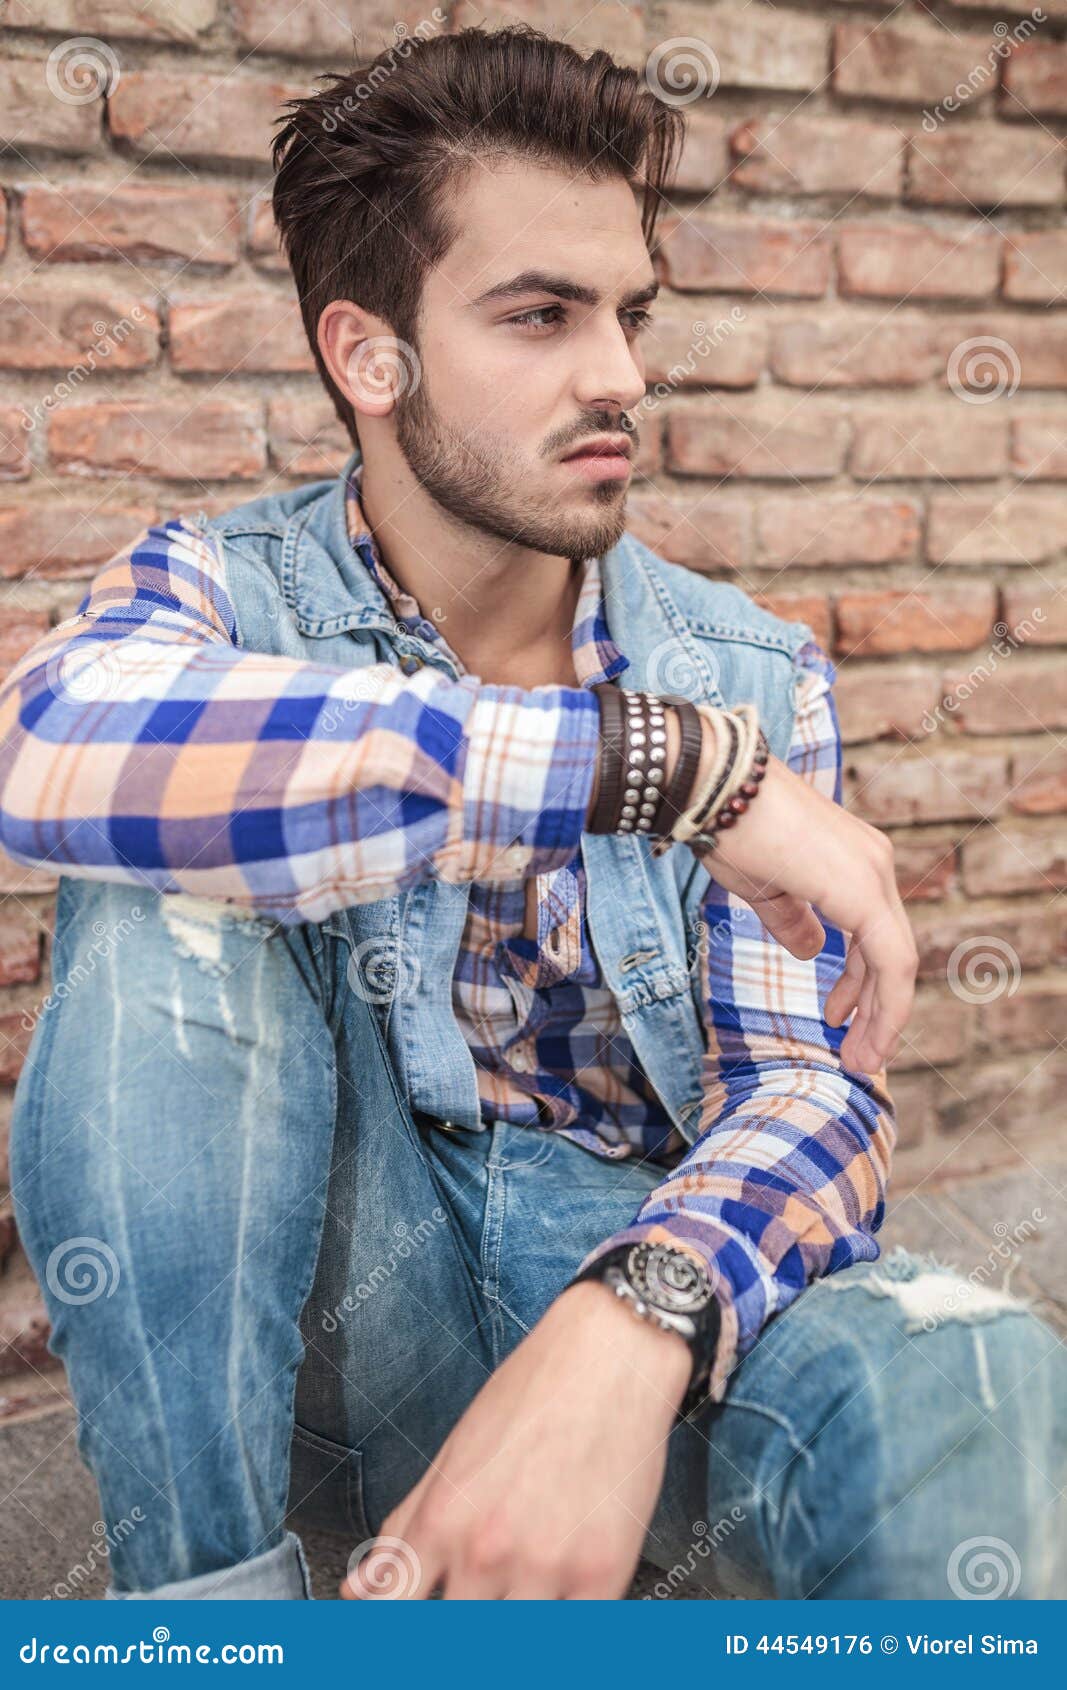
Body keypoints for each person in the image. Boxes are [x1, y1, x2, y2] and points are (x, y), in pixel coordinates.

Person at [1, 26, 1062, 1601]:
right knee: (162, 884)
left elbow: (812, 1093)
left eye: (630, 313)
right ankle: (212, 1624)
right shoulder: (221, 588)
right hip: (309, 1324)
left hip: (632, 1268)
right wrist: (653, 768)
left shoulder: (749, 668)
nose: (621, 375)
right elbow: (48, 749)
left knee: (982, 1375)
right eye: (540, 316)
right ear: (370, 354)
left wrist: (638, 1306)